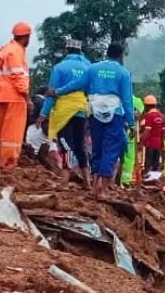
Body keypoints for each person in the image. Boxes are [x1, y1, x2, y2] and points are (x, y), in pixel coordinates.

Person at [49, 41, 135, 193]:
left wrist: (58, 91)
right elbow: (127, 100)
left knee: (97, 147)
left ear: (106, 52)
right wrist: (132, 123)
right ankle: (103, 190)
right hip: (114, 113)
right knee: (111, 149)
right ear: (120, 56)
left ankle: (94, 185)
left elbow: (77, 84)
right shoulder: (123, 73)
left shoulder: (93, 68)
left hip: (94, 112)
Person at [39, 38, 91, 185]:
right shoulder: (88, 68)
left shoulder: (60, 67)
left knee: (65, 143)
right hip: (81, 109)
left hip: (64, 111)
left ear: (66, 50)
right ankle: (87, 180)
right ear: (80, 51)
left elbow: (51, 94)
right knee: (80, 145)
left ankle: (65, 178)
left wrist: (43, 114)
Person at [0, 22, 33, 170]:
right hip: (15, 97)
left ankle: (2, 161)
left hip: (3, 95)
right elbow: (18, 76)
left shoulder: (5, 50)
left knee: (4, 133)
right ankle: (9, 163)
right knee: (13, 134)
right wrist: (27, 98)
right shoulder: (16, 51)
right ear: (26, 37)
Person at [140, 95, 165, 172]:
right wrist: (162, 145)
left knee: (147, 164)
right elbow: (163, 132)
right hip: (158, 144)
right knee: (155, 165)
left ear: (146, 106)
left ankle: (147, 180)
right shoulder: (161, 116)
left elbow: (147, 131)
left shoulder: (149, 116)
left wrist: (141, 143)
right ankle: (154, 180)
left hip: (150, 144)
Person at [122, 96, 144, 187]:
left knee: (119, 157)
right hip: (131, 133)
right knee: (129, 158)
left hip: (121, 131)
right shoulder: (138, 101)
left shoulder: (120, 97)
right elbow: (138, 115)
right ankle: (126, 180)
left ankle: (118, 179)